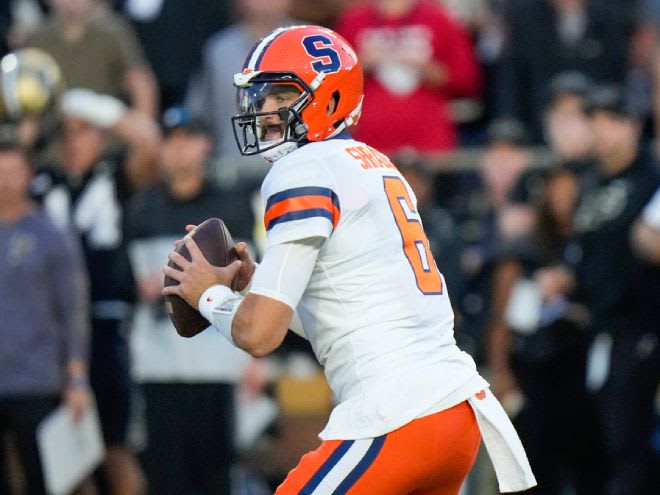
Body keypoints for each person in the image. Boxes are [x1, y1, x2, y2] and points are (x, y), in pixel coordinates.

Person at [163, 25, 535, 494]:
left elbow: (259, 335)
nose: (262, 110)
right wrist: (259, 288)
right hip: (452, 413)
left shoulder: (303, 168)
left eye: (278, 95)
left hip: (396, 415)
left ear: (327, 98)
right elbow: (348, 313)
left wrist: (208, 294)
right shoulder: (372, 163)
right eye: (258, 96)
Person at [31, 88, 160, 495]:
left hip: (106, 325)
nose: (73, 142)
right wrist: (33, 122)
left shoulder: (114, 177)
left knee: (113, 448)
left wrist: (93, 106)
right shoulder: (43, 183)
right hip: (50, 328)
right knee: (64, 456)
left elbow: (149, 144)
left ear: (101, 136)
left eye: (83, 132)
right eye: (65, 133)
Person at [125, 107, 254, 495]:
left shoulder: (229, 209)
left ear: (205, 145)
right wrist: (139, 286)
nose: (179, 151)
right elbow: (119, 278)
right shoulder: (141, 209)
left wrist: (251, 360)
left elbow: (251, 279)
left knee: (216, 473)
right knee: (165, 475)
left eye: (188, 140)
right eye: (171, 142)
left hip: (217, 362)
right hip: (159, 363)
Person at [540, 85, 660, 495]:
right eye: (597, 121)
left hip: (640, 323)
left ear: (633, 125)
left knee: (626, 436)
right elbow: (585, 253)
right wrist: (564, 277)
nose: (604, 131)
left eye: (614, 120)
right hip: (597, 323)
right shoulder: (589, 183)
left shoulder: (651, 176)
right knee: (594, 435)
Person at [0, 142, 90, 495]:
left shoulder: (50, 234)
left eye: (12, 173)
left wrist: (77, 379)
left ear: (29, 175)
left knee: (46, 480)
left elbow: (72, 309)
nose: (5, 182)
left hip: (36, 379)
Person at [335, 0, 481, 156]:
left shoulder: (438, 18)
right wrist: (361, 65)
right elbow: (333, 82)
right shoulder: (354, 20)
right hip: (369, 141)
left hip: (428, 140)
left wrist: (429, 70)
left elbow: (467, 80)